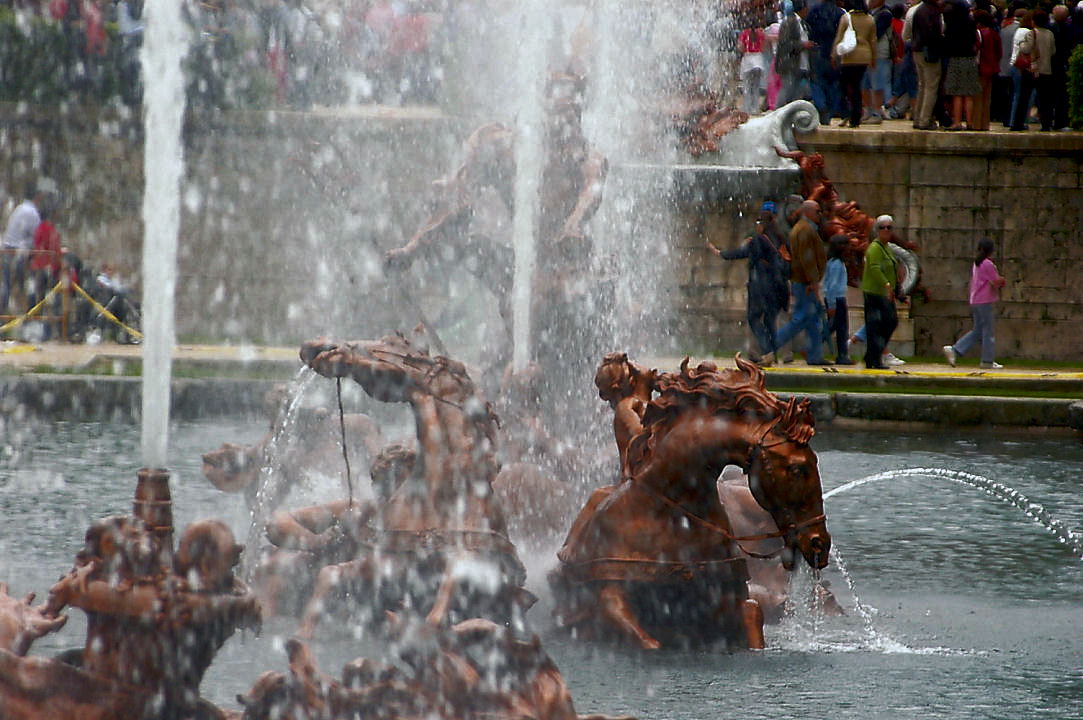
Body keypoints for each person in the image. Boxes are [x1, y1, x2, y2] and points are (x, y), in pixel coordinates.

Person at [708, 201, 791, 365]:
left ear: (761, 223)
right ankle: (773, 353)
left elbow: (742, 253)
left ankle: (767, 350)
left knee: (753, 318)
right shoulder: (780, 237)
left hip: (761, 286)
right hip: (778, 285)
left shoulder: (759, 240)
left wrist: (720, 253)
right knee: (770, 320)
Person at [775, 200, 830, 366]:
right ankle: (771, 344)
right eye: (817, 211)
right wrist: (813, 282)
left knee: (813, 320)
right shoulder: (805, 230)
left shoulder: (804, 228)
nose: (820, 214)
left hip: (804, 281)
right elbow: (807, 259)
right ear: (807, 212)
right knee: (801, 318)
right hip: (805, 283)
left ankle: (815, 355)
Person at [943, 238, 1006, 370]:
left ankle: (955, 349)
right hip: (984, 300)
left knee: (978, 330)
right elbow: (995, 282)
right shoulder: (988, 264)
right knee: (988, 331)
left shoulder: (977, 263)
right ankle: (987, 360)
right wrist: (1002, 280)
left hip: (976, 300)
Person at [860, 215, 898, 369]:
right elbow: (875, 268)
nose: (886, 230)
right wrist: (886, 284)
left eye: (889, 227)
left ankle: (873, 355)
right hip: (874, 293)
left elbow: (892, 268)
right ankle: (874, 358)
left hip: (884, 294)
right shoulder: (875, 248)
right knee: (878, 325)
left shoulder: (887, 247)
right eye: (883, 227)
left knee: (888, 322)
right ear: (877, 230)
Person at [0, 185, 45, 316]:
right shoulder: (32, 213)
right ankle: (30, 312)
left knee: (6, 284)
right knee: (26, 284)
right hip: (19, 251)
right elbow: (36, 236)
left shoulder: (19, 208)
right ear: (37, 197)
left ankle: (3, 312)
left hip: (8, 249)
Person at [832, 0, 877, 128]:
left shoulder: (846, 18)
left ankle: (846, 113)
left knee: (844, 87)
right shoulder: (870, 19)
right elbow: (873, 40)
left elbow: (839, 37)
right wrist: (874, 58)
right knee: (856, 86)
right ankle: (856, 118)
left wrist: (834, 55)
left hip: (849, 56)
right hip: (864, 56)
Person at [942, 0, 980, 130]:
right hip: (970, 59)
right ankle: (970, 122)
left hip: (956, 58)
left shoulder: (951, 23)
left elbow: (947, 41)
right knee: (968, 93)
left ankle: (957, 122)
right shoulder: (971, 22)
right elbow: (975, 40)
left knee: (956, 93)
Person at [807, 0, 845, 124]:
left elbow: (808, 27)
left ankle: (821, 106)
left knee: (816, 81)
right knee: (834, 82)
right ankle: (834, 110)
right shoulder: (840, 13)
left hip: (817, 50)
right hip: (834, 52)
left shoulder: (814, 11)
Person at [910, 0, 945, 130]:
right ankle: (925, 120)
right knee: (931, 87)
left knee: (922, 85)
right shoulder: (933, 11)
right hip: (929, 52)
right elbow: (932, 33)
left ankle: (918, 118)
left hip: (917, 49)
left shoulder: (919, 9)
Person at [775, 0, 814, 107]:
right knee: (787, 90)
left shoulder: (803, 23)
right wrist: (802, 45)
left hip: (801, 63)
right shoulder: (789, 22)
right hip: (790, 63)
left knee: (796, 92)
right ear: (803, 9)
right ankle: (779, 110)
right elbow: (784, 43)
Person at [970, 10, 1003, 131]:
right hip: (992, 67)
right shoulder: (994, 33)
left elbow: (975, 49)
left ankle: (976, 124)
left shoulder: (978, 33)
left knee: (977, 97)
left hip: (980, 68)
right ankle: (985, 124)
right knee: (987, 98)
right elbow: (999, 52)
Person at [823, 234, 852, 364]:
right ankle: (841, 354)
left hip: (837, 298)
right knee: (837, 327)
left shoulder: (835, 262)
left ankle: (842, 355)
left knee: (839, 328)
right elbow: (832, 285)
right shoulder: (836, 264)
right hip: (837, 299)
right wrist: (832, 304)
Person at [1009, 11, 1038, 131]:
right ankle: (1021, 121)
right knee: (1025, 95)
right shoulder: (1028, 32)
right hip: (1023, 67)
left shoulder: (1018, 30)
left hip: (1014, 64)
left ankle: (1013, 120)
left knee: (1017, 94)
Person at [739, 20, 767, 114]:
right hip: (758, 60)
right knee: (756, 86)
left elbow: (741, 47)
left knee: (747, 86)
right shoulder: (761, 34)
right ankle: (755, 108)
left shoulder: (744, 34)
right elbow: (763, 48)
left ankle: (747, 108)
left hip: (748, 60)